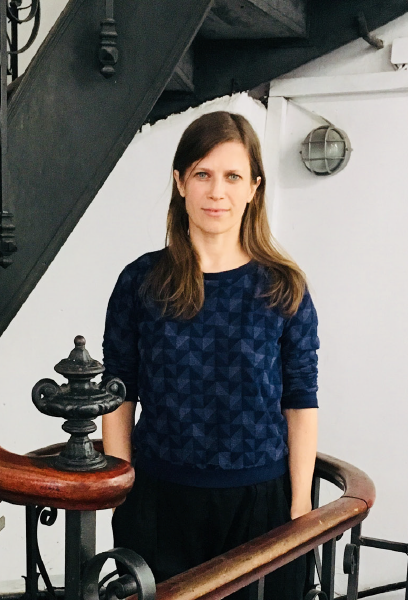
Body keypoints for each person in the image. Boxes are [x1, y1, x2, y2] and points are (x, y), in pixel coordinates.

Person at [101, 111, 318, 599]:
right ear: (180, 182)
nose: (216, 192)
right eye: (203, 174)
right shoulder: (141, 281)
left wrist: (301, 503)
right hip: (159, 499)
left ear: (254, 188)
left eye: (232, 176)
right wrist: (120, 489)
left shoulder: (283, 286)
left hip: (261, 503)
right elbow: (118, 389)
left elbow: (301, 398)